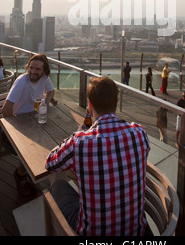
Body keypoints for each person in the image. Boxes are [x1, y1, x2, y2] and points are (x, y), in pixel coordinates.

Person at [45, 76, 150, 236]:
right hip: (135, 230)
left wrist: (80, 133)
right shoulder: (139, 133)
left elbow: (50, 164)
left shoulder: (79, 142)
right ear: (116, 102)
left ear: (89, 105)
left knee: (58, 184)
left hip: (93, 233)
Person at [2, 54, 55, 196]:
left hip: (33, 120)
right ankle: (20, 173)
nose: (33, 71)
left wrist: (46, 102)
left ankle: (31, 173)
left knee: (52, 139)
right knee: (37, 146)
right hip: (15, 124)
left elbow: (51, 91)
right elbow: (6, 109)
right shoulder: (21, 82)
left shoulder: (44, 79)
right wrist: (12, 128)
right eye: (31, 67)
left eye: (37, 69)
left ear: (44, 71)